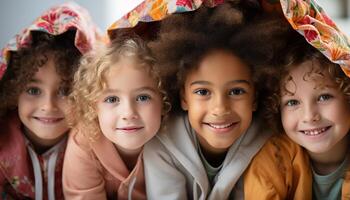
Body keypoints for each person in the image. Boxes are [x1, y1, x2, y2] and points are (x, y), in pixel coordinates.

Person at [142, 1, 288, 199]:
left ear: (255, 96)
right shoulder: (161, 146)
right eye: (203, 92)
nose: (220, 109)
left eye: (236, 91)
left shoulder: (271, 144)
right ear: (184, 97)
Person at [0, 2, 99, 200]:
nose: (48, 106)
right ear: (14, 90)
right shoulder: (2, 142)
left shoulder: (94, 146)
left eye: (65, 91)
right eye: (33, 90)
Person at [62, 33, 169, 200]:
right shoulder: (83, 143)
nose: (128, 113)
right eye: (112, 99)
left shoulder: (174, 138)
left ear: (163, 100)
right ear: (93, 106)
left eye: (143, 97)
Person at [244, 32, 350, 199]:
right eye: (292, 102)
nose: (309, 116)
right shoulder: (273, 158)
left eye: (324, 97)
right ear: (277, 108)